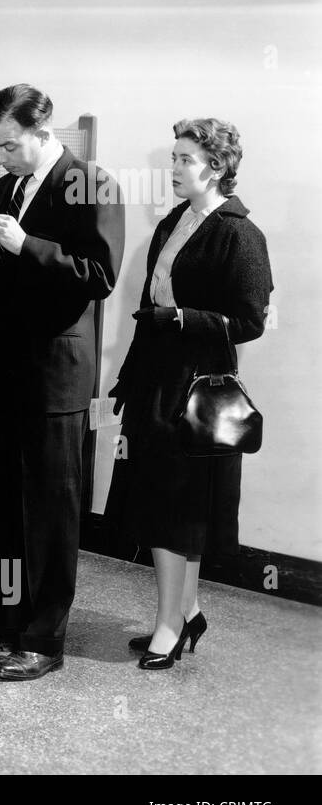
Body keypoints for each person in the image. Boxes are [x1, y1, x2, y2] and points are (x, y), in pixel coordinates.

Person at [0, 84, 124, 681]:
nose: (1, 158)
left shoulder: (91, 183)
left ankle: (44, 638)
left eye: (10, 145)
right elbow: (6, 273)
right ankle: (2, 614)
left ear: (45, 133)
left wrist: (26, 244)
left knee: (49, 506)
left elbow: (99, 275)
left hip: (53, 372)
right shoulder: (5, 187)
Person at [105, 118, 271, 669]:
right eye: (172, 158)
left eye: (183, 159)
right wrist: (129, 379)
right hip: (157, 382)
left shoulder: (239, 233)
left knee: (181, 510)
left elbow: (249, 321)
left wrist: (182, 318)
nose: (172, 168)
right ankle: (187, 610)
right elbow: (147, 313)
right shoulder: (175, 220)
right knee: (159, 505)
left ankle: (169, 625)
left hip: (197, 391)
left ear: (216, 168)